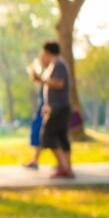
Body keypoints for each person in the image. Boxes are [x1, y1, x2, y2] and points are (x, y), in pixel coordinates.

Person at [35, 42, 74, 179]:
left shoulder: (59, 64)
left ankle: (63, 167)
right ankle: (67, 167)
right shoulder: (55, 65)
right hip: (58, 107)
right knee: (61, 137)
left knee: (47, 135)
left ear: (48, 52)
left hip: (59, 108)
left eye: (43, 54)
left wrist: (41, 79)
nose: (42, 57)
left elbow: (59, 83)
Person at [24, 58, 47, 169]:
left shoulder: (54, 68)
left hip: (48, 109)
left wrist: (40, 79)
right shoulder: (47, 71)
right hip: (44, 108)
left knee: (43, 134)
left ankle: (64, 165)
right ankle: (35, 159)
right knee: (40, 133)